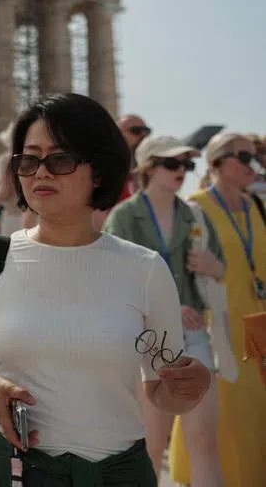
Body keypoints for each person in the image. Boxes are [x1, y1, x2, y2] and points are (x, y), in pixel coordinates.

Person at [0, 92, 211, 485]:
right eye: (28, 160)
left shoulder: (144, 269)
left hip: (117, 475)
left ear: (98, 171)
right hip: (11, 470)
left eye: (59, 159)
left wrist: (189, 386)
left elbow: (162, 389)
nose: (41, 172)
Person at [103, 134, 225, 485]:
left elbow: (222, 271)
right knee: (151, 445)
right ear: (148, 168)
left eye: (186, 164)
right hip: (148, 342)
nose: (182, 171)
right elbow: (115, 283)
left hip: (194, 337)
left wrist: (211, 265)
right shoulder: (125, 217)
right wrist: (171, 305)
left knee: (203, 440)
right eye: (172, 164)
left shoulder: (194, 215)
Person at [168, 131, 266, 487]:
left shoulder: (258, 205)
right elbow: (178, 267)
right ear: (216, 163)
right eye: (243, 156)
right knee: (226, 416)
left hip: (260, 325)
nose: (251, 163)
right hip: (220, 326)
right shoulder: (195, 207)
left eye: (254, 155)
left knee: (257, 414)